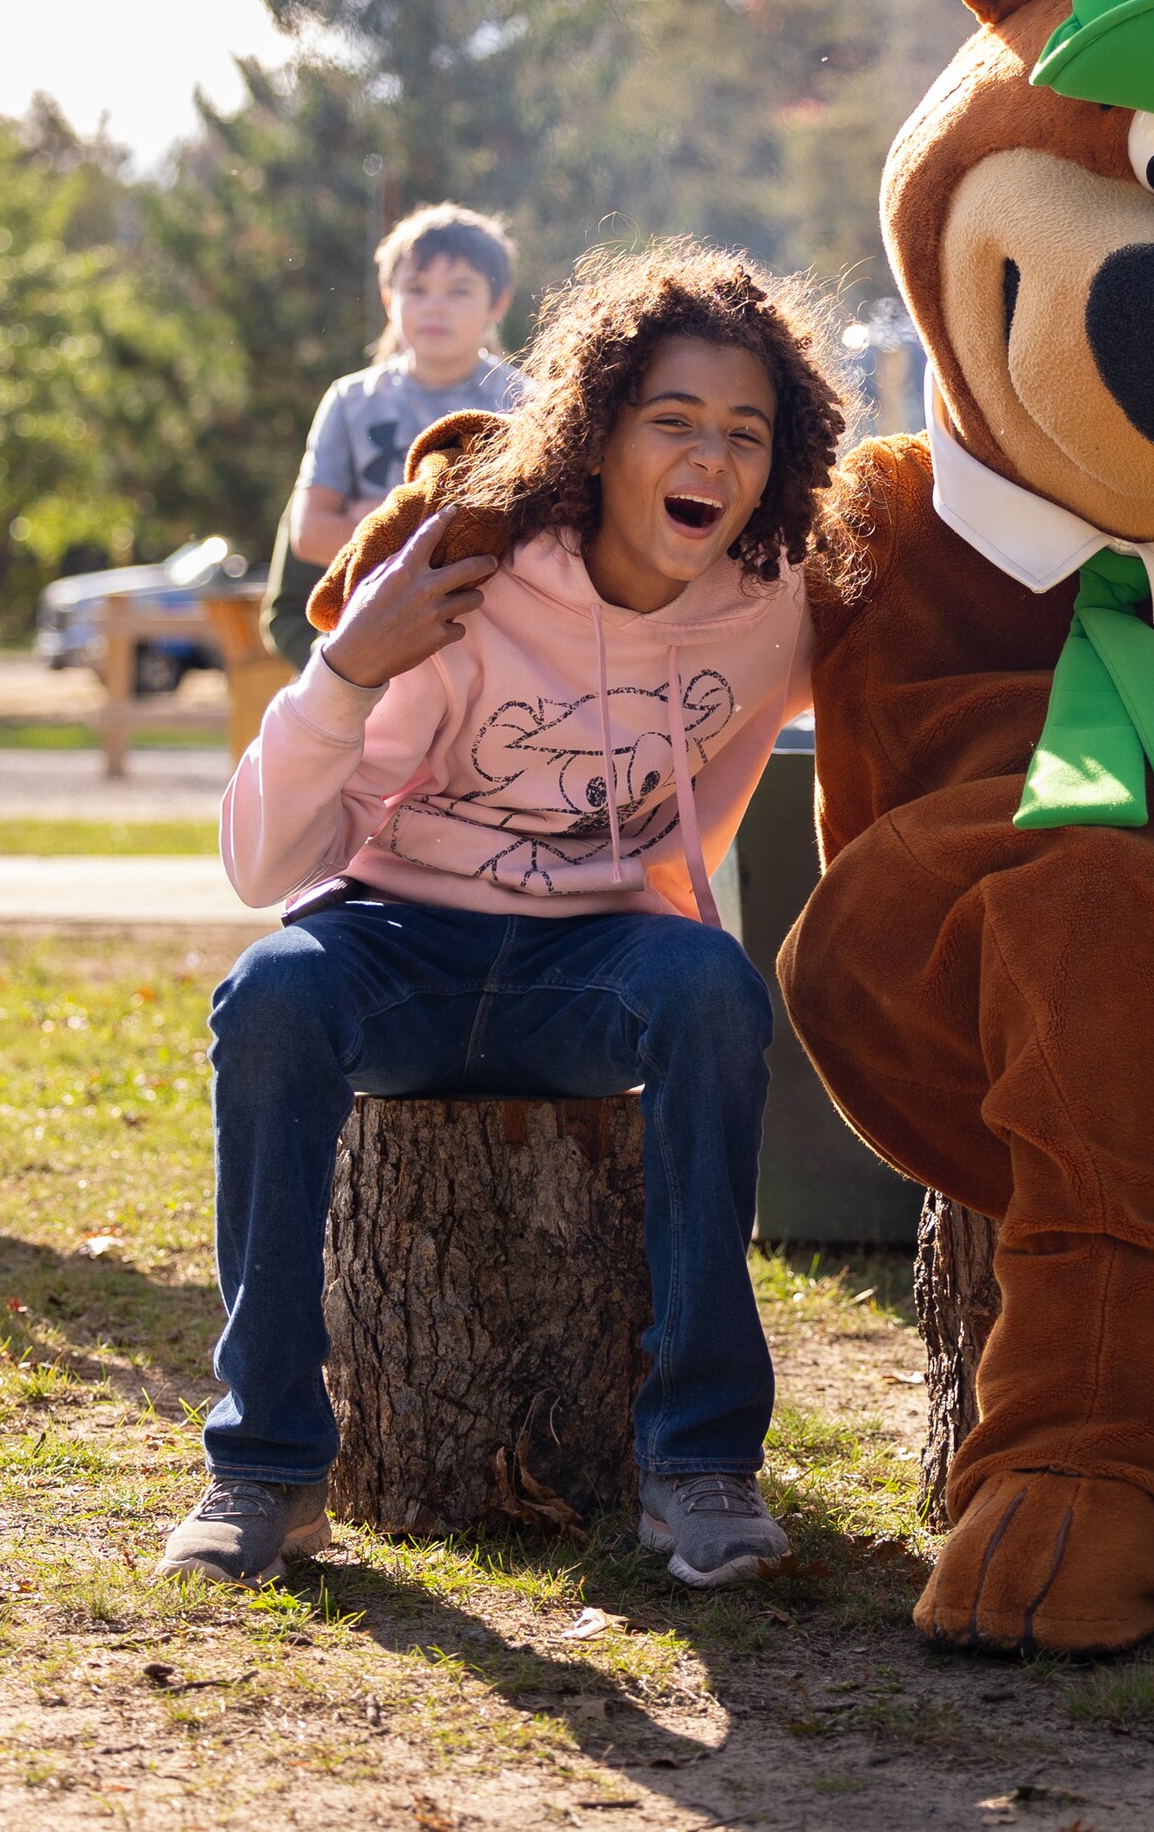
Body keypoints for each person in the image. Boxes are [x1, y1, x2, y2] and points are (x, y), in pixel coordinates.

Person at [173, 244, 847, 1590]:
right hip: (399, 946)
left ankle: (701, 1464)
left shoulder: (775, 607)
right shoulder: (472, 581)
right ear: (597, 437)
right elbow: (259, 866)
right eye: (673, 423)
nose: (709, 457)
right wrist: (346, 666)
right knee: (271, 994)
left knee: (713, 987)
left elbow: (911, 676)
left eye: (744, 433)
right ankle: (264, 1472)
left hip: (595, 966)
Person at [254, 206, 526, 666]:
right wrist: (441, 533)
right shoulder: (349, 401)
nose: (435, 306)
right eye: (416, 289)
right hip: (368, 634)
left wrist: (373, 520)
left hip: (486, 638)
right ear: (388, 299)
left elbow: (529, 546)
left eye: (459, 290)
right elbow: (310, 534)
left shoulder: (523, 404)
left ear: (497, 303)